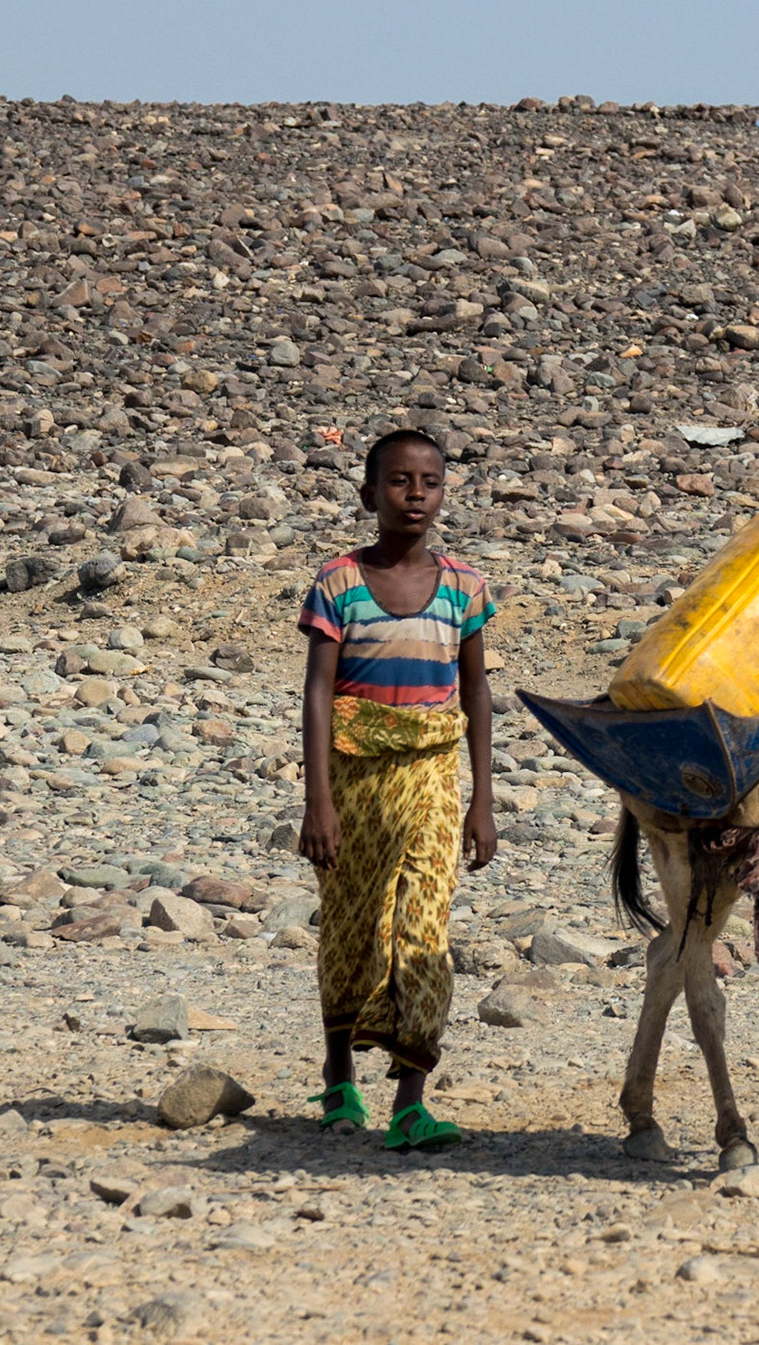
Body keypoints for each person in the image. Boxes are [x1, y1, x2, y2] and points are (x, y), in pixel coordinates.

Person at [296, 428, 497, 1151]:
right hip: (353, 779)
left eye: (430, 482)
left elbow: (475, 692)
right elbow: (319, 694)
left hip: (433, 777)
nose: (416, 495)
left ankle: (411, 1101)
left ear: (445, 492)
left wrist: (483, 800)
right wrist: (318, 801)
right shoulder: (339, 583)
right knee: (349, 922)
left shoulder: (466, 588)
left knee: (422, 927)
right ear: (368, 493)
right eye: (399, 482)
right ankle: (338, 1071)